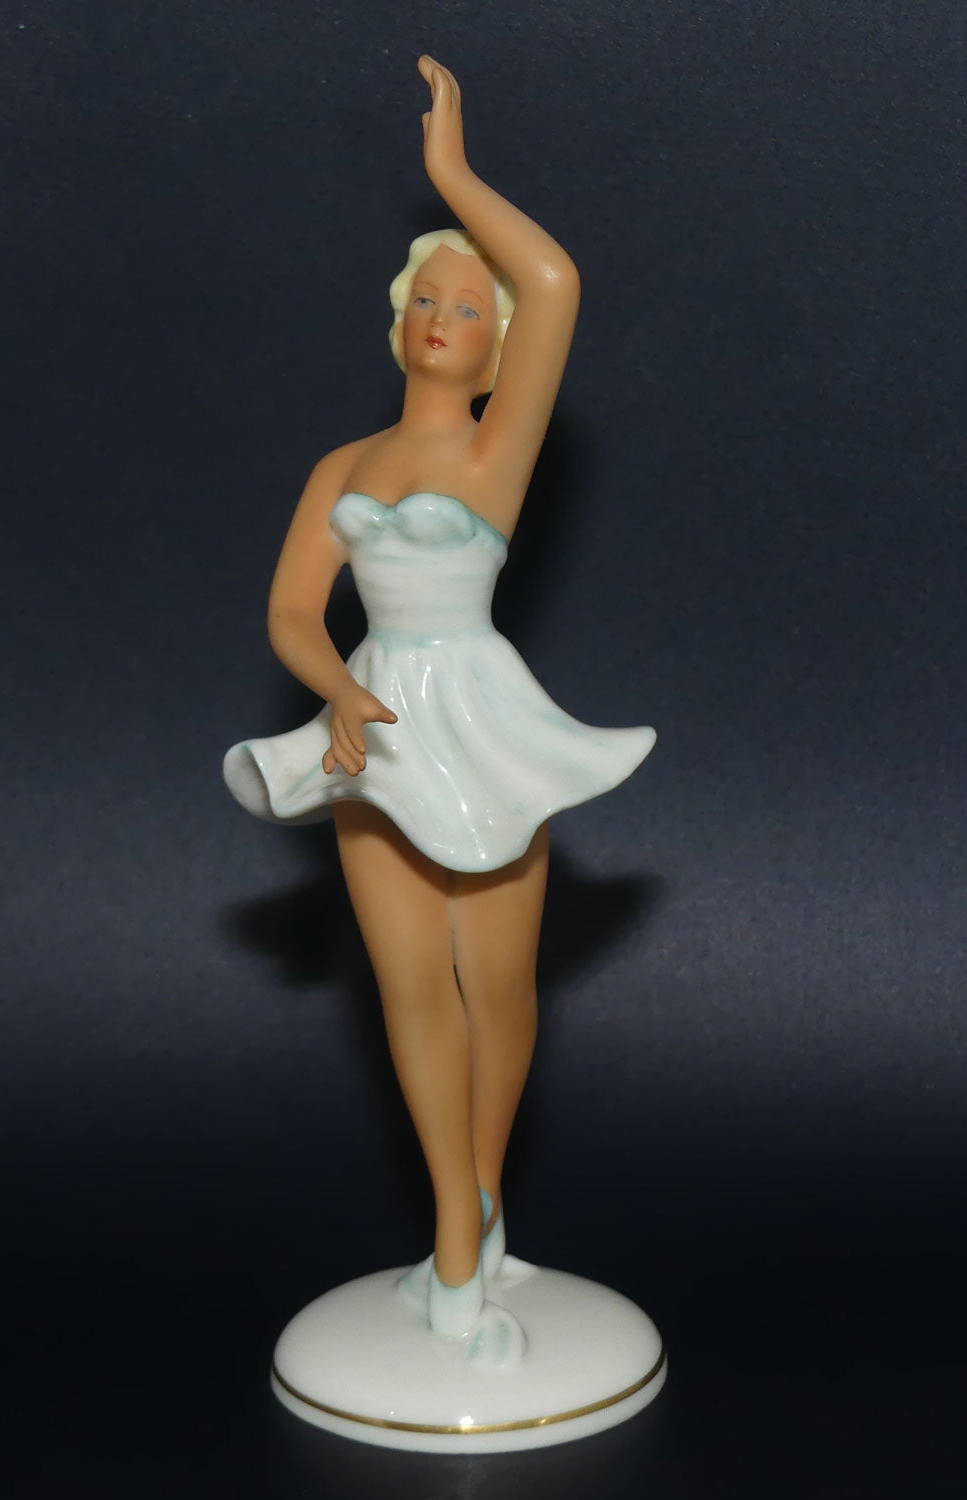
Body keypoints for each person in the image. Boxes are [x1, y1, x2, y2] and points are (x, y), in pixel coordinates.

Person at [224, 56, 655, 1357]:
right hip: (376, 729)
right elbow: (292, 611)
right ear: (398, 318)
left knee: (499, 986)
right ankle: (457, 1244)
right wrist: (340, 690)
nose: (442, 316)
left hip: (480, 719)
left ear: (496, 346)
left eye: (468, 306)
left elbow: (556, 280)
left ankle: (483, 1195)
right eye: (426, 296)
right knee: (410, 987)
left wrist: (453, 174)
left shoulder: (492, 452)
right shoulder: (344, 466)